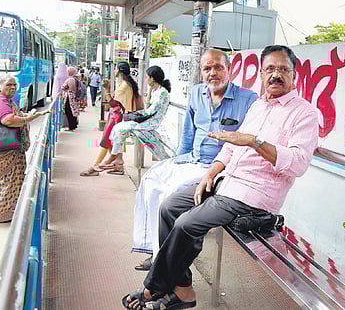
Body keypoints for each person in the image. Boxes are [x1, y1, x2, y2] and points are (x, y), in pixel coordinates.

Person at [122, 45, 319, 310]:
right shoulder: (259, 105)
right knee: (169, 207)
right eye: (270, 69)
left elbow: (298, 163)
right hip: (226, 180)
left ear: (294, 75)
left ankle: (153, 288)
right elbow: (231, 145)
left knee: (186, 224)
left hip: (253, 193)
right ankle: (184, 291)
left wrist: (255, 141)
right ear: (261, 73)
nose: (276, 75)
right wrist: (212, 173)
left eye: (283, 69)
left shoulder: (303, 113)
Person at [131, 49, 258, 271]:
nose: (213, 73)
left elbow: (248, 143)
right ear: (201, 72)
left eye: (218, 67)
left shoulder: (248, 99)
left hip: (218, 167)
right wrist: (178, 160)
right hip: (192, 160)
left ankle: (166, 261)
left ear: (229, 69)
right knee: (151, 182)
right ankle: (154, 249)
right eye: (206, 68)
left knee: (170, 196)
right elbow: (188, 134)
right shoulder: (197, 93)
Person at [0, 74, 50, 223]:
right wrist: (28, 119)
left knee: (9, 182)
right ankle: (1, 214)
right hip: (4, 151)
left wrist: (30, 115)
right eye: (8, 85)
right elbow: (8, 120)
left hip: (7, 149)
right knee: (5, 182)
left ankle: (7, 213)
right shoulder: (0, 100)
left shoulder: (5, 100)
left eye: (14, 85)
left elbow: (12, 115)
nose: (12, 87)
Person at [99, 65, 172, 175]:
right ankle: (116, 158)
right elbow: (147, 108)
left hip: (151, 123)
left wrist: (134, 116)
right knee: (118, 128)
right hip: (146, 120)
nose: (146, 79)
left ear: (152, 78)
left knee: (119, 129)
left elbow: (149, 111)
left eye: (147, 77)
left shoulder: (162, 92)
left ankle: (114, 156)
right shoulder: (156, 90)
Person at [80, 61, 142, 176]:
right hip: (118, 116)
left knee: (106, 141)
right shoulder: (127, 84)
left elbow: (113, 103)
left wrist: (107, 90)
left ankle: (96, 166)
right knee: (113, 142)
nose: (114, 70)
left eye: (115, 68)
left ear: (118, 70)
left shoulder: (123, 86)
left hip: (116, 117)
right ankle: (118, 165)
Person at [62, 66, 81, 131]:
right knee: (73, 111)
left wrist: (64, 87)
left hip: (70, 98)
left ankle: (71, 126)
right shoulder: (76, 79)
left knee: (69, 111)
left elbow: (65, 87)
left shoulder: (70, 79)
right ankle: (74, 125)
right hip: (74, 97)